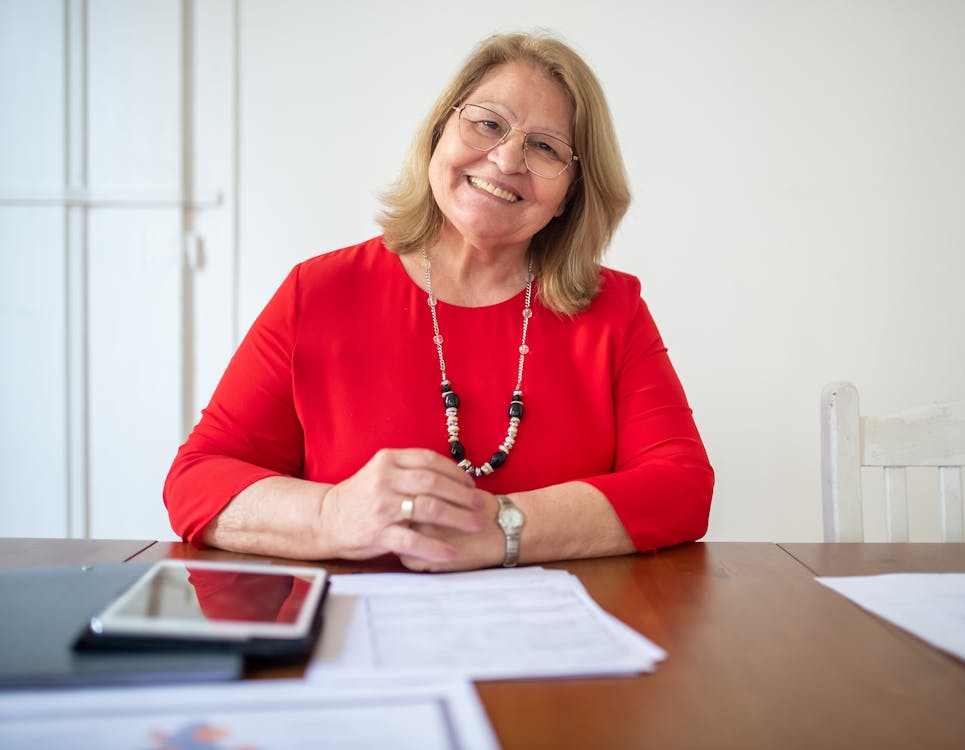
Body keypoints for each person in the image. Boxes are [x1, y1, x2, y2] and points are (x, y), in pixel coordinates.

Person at [164, 31, 713, 572]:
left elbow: (683, 487)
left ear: (572, 194)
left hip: (554, 647)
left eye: (545, 147)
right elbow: (198, 479)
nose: (505, 158)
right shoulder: (319, 291)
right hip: (352, 639)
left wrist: (499, 526)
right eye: (488, 123)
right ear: (439, 134)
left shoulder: (614, 309)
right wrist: (332, 514)